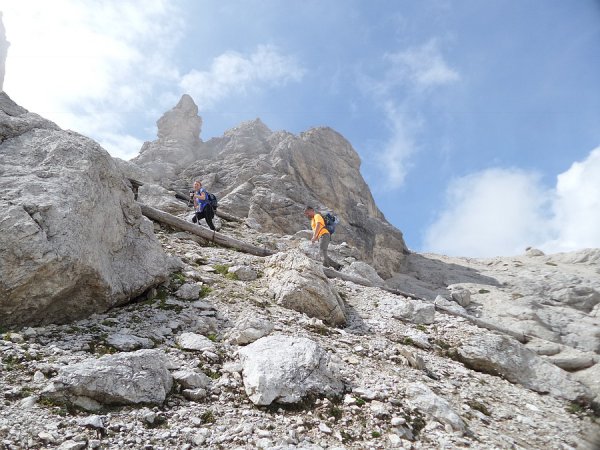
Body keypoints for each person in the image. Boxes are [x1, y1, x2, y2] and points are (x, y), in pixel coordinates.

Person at [304, 206, 342, 270]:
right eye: (306, 214)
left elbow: (319, 224)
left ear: (312, 211)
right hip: (321, 236)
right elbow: (316, 228)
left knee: (322, 252)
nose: (307, 215)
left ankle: (326, 268)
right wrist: (316, 237)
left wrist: (314, 236)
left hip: (324, 234)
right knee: (322, 252)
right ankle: (338, 266)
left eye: (308, 213)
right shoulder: (313, 220)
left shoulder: (317, 216)